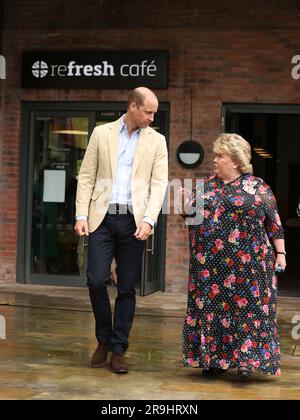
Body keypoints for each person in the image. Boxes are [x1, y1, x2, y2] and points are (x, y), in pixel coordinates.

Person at [74, 87, 168, 374]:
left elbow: (158, 184)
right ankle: (102, 339)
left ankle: (117, 349)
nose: (152, 117)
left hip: (133, 221)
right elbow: (87, 176)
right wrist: (81, 214)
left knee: (127, 287)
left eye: (154, 112)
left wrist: (149, 219)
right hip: (101, 218)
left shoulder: (157, 141)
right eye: (148, 111)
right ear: (133, 106)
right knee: (94, 280)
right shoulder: (101, 134)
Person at [178, 133, 286, 378]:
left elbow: (274, 223)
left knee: (250, 309)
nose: (214, 160)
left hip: (251, 264)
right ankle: (214, 360)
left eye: (220, 156)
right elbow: (191, 219)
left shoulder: (259, 188)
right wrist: (185, 207)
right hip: (211, 267)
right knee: (213, 311)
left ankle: (246, 359)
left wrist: (281, 253)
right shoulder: (206, 186)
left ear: (236, 161)